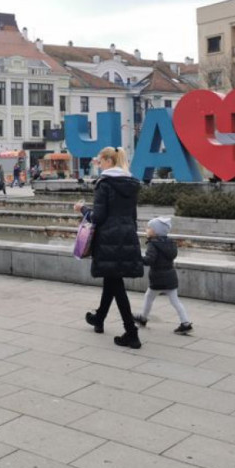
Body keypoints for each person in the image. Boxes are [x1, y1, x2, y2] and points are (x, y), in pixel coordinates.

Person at [76, 146, 144, 349]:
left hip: (109, 237)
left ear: (108, 160)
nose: (98, 164)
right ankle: (99, 318)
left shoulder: (104, 184)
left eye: (99, 160)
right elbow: (133, 215)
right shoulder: (131, 183)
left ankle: (131, 332)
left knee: (116, 284)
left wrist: (82, 209)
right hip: (126, 234)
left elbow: (98, 217)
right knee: (112, 278)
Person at [134, 217, 192, 334]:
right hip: (171, 277)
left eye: (149, 227)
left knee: (149, 297)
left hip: (158, 278)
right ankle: (185, 323)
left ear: (156, 231)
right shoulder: (170, 243)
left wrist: (137, 258)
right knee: (175, 301)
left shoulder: (153, 244)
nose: (147, 229)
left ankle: (143, 318)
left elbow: (149, 260)